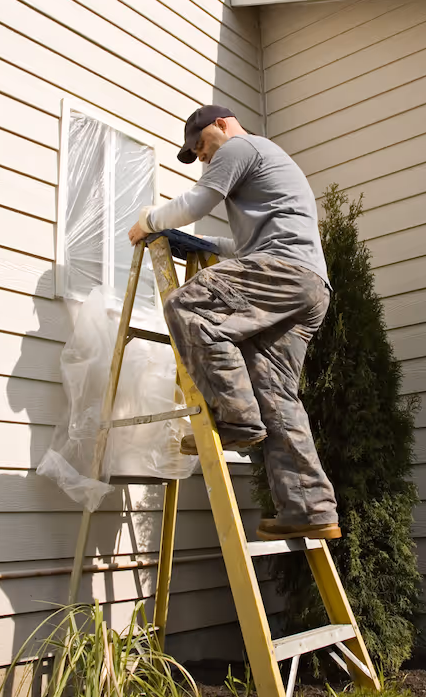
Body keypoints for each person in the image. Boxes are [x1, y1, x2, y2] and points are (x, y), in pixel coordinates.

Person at [128, 105, 339, 541]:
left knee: (189, 306)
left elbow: (197, 202)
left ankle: (236, 419)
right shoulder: (267, 165)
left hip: (283, 271)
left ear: (221, 125)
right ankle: (309, 507)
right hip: (309, 285)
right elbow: (245, 247)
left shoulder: (240, 146)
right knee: (273, 390)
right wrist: (208, 244)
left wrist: (148, 220)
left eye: (201, 147)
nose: (203, 158)